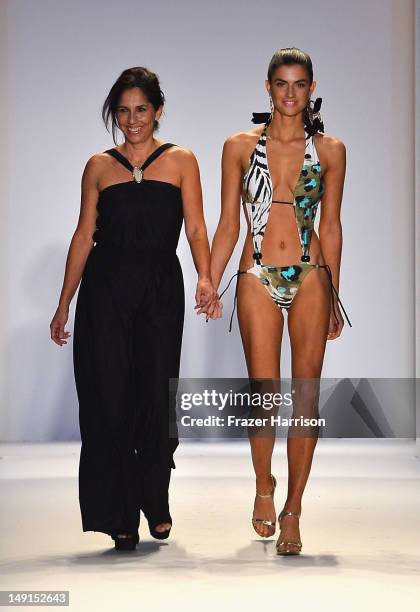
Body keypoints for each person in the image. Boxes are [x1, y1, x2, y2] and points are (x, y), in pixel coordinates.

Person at [50, 66, 216, 550]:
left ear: (158, 110)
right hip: (105, 294)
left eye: (141, 109)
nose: (132, 119)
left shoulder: (182, 160)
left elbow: (198, 229)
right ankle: (119, 512)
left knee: (158, 397)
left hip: (161, 291)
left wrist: (206, 276)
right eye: (123, 111)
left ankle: (155, 498)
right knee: (110, 398)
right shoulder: (98, 166)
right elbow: (84, 236)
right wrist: (64, 302)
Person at [207, 48, 352, 555]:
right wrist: (209, 276)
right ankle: (263, 486)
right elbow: (228, 221)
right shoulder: (239, 146)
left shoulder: (330, 150)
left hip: (311, 273)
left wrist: (336, 291)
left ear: (311, 88)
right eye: (281, 84)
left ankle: (293, 509)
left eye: (299, 84)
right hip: (255, 272)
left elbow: (330, 225)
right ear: (266, 87)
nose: (290, 94)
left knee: (305, 397)